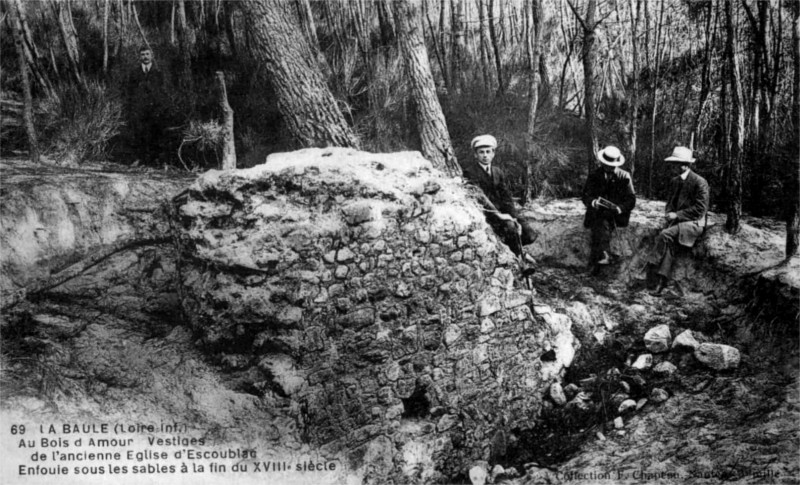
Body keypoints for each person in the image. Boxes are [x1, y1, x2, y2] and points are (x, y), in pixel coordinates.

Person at [462, 135, 537, 258]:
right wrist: (499, 215)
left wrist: (514, 216)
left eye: (488, 151)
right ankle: (517, 258)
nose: (485, 155)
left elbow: (506, 197)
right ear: (476, 155)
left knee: (529, 233)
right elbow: (480, 197)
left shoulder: (497, 172)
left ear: (493, 154)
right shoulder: (470, 172)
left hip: (502, 212)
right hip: (485, 213)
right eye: (481, 152)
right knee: (510, 226)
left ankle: (510, 247)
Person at [648, 146, 710, 295]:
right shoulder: (675, 181)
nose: (673, 167)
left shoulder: (700, 182)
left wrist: (677, 215)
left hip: (694, 223)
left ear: (686, 164)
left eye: (677, 164)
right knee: (670, 243)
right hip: (678, 222)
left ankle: (651, 267)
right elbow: (670, 203)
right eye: (673, 164)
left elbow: (700, 210)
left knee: (665, 235)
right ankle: (661, 282)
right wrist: (669, 214)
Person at [581, 145, 636, 268]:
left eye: (611, 165)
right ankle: (603, 257)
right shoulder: (594, 175)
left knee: (601, 222)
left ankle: (598, 261)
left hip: (617, 214)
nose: (608, 167)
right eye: (605, 164)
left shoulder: (624, 176)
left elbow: (631, 200)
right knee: (599, 221)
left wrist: (619, 208)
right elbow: (585, 195)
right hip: (597, 211)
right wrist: (593, 202)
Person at [125, 45, 167, 164]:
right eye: (142, 55)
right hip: (139, 110)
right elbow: (130, 92)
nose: (145, 57)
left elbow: (162, 92)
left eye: (147, 54)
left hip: (155, 109)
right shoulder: (134, 73)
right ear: (139, 57)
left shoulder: (158, 73)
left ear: (152, 56)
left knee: (155, 133)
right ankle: (139, 159)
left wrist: (160, 108)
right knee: (139, 133)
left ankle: (156, 160)